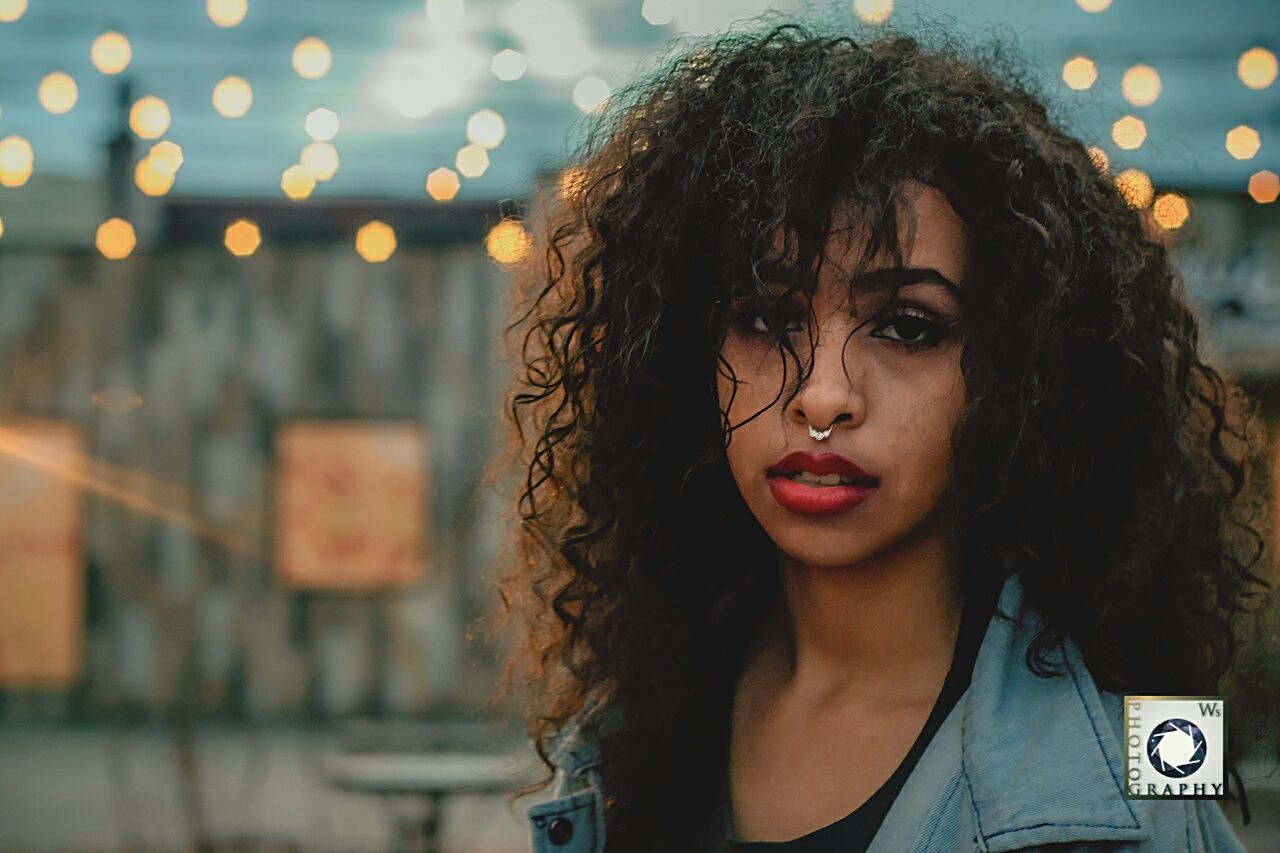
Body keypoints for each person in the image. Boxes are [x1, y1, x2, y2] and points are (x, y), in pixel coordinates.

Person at [483, 19, 1278, 853]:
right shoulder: (633, 718)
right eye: (768, 317)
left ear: (1016, 371)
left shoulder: (1136, 752)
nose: (822, 395)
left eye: (906, 326)